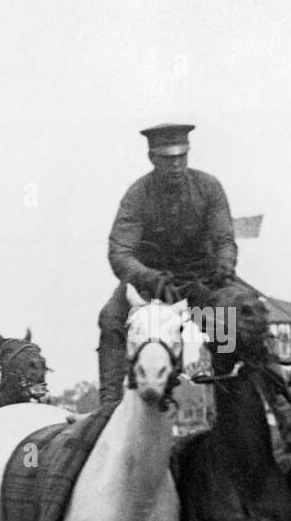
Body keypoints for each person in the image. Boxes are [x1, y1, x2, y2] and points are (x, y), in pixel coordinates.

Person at [97, 123, 239, 406]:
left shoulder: (209, 187)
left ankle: (239, 395)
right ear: (152, 158)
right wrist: (148, 277)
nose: (176, 165)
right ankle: (109, 407)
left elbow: (224, 239)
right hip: (152, 284)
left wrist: (224, 265)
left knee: (236, 320)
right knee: (112, 319)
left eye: (181, 157)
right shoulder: (137, 195)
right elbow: (119, 251)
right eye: (167, 159)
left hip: (200, 280)